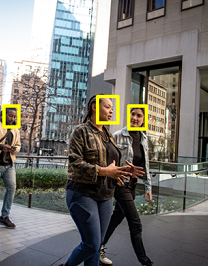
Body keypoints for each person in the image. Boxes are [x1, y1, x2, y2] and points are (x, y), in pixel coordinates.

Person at [60, 95, 142, 266]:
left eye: (112, 108)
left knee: (96, 248)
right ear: (95, 108)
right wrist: (104, 171)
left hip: (105, 195)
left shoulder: (108, 135)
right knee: (91, 243)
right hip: (82, 193)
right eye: (107, 107)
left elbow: (111, 165)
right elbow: (75, 163)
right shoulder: (81, 131)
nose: (111, 111)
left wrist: (126, 169)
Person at [100, 108, 153, 266]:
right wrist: (124, 170)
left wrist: (148, 188)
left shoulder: (144, 139)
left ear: (143, 120)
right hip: (120, 184)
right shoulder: (117, 136)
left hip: (132, 186)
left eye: (139, 115)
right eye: (132, 114)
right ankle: (145, 262)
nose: (135, 118)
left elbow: (145, 166)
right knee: (135, 222)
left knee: (116, 218)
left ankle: (97, 246)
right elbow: (109, 163)